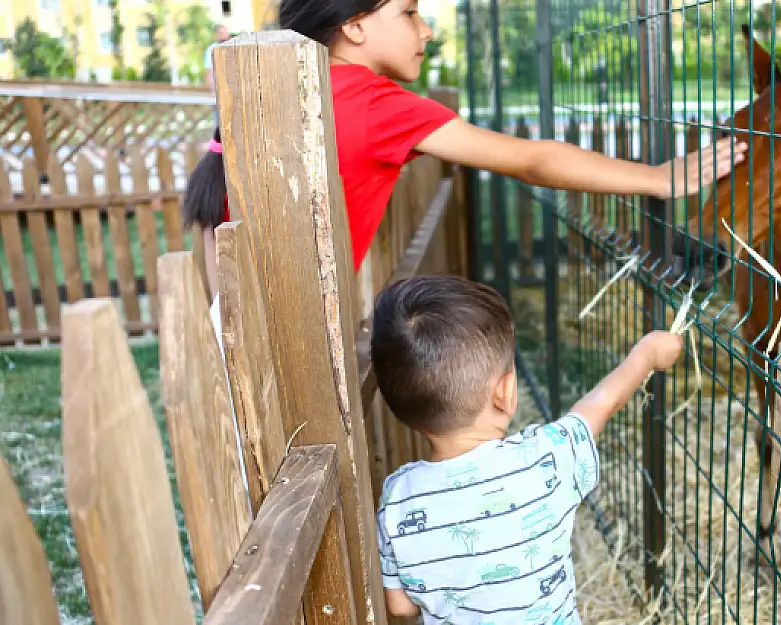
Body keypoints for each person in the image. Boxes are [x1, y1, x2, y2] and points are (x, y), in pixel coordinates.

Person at [182, 0, 747, 289]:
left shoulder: (291, 89)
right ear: (354, 25)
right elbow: (533, 160)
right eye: (408, 12)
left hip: (237, 317)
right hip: (290, 333)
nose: (426, 29)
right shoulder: (377, 104)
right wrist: (660, 177)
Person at [369, 274, 682, 622]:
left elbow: (400, 605)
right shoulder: (546, 458)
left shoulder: (398, 499)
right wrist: (648, 354)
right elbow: (601, 404)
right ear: (505, 393)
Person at [203, 24, 231, 124]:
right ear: (217, 35)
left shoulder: (233, 48)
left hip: (232, 90)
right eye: (221, 33)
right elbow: (209, 73)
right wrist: (212, 92)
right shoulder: (211, 50)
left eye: (225, 32)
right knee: (219, 123)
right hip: (218, 91)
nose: (224, 35)